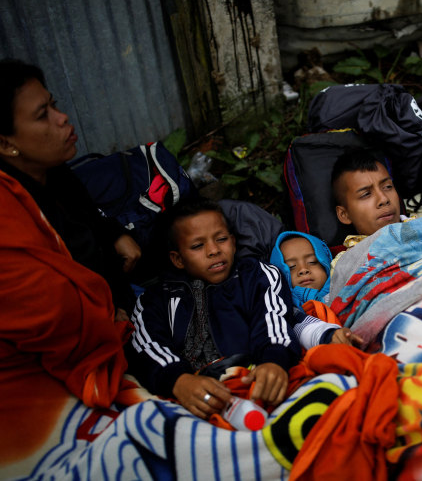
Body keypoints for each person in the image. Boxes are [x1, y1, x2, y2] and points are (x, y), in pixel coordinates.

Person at [126, 198, 300, 419]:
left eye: (221, 239)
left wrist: (274, 362)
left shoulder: (257, 276)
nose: (214, 250)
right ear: (178, 259)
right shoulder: (155, 300)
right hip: (190, 395)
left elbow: (274, 320)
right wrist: (179, 381)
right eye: (198, 246)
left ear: (234, 242)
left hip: (251, 377)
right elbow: (147, 344)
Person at [0, 59, 141, 319]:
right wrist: (108, 317)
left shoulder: (51, 169)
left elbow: (88, 213)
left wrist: (115, 234)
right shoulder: (15, 220)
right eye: (43, 115)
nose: (62, 117)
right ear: (6, 144)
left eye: (54, 105)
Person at [270, 231, 362, 348]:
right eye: (291, 267)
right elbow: (303, 329)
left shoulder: (344, 288)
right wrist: (329, 336)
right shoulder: (289, 310)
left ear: (327, 264)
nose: (303, 270)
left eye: (312, 262)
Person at [331, 149, 403, 237]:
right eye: (366, 194)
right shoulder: (356, 251)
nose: (384, 199)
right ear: (344, 215)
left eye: (388, 187)